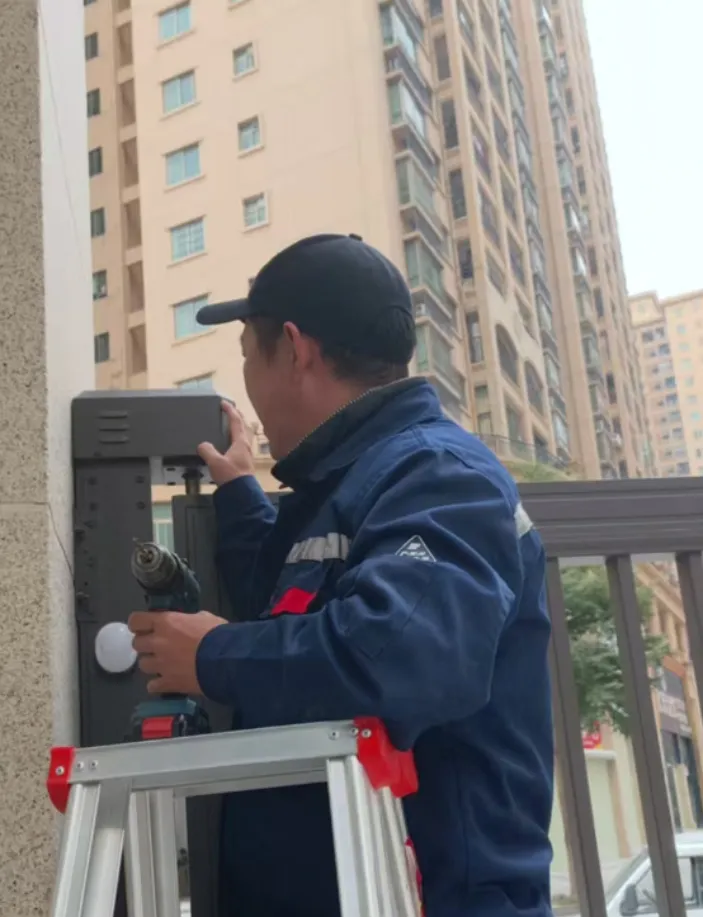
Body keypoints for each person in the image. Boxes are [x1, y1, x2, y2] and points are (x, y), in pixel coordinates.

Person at [129, 233, 554, 917]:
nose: (249, 384)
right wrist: (239, 493)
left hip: (430, 897)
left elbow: (400, 653)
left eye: (248, 355)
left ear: (294, 349)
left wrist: (212, 655)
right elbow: (296, 607)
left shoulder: (441, 474)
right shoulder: (355, 483)